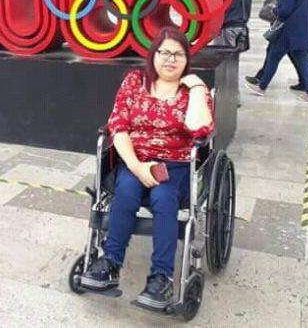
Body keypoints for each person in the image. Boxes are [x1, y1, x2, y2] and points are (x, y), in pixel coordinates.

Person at [80, 26, 215, 309]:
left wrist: (197, 87)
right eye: (164, 52)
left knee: (164, 198)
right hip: (135, 158)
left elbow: (200, 128)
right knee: (127, 190)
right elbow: (118, 127)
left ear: (187, 59)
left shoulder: (193, 91)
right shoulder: (134, 81)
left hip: (176, 164)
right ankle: (110, 263)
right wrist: (137, 166)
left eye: (178, 54)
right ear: (153, 55)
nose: (170, 59)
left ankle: (161, 278)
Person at [245, 0, 308, 103]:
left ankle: (261, 87)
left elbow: (284, 11)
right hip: (302, 32)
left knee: (273, 58)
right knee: (304, 62)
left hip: (287, 33)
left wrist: (274, 10)